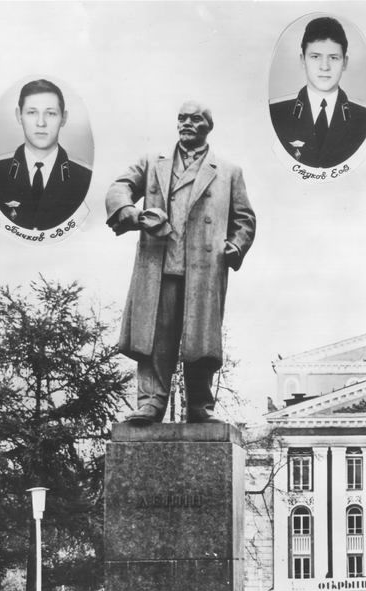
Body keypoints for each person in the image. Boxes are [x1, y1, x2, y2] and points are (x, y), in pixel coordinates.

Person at [106, 101, 256, 424]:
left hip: (203, 269)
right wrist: (129, 211)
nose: (186, 123)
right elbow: (120, 186)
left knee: (200, 342)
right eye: (182, 118)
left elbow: (244, 219)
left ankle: (200, 405)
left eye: (195, 118)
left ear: (208, 127)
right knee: (153, 338)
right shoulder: (152, 162)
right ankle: (151, 402)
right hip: (158, 266)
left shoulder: (228, 172)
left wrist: (235, 245)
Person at [0, 79, 92, 231]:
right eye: (32, 112)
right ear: (19, 115)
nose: (41, 123)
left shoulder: (84, 178)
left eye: (51, 113)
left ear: (64, 118)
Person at [269, 16, 366, 168]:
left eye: (334, 58)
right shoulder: (277, 114)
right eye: (315, 57)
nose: (324, 67)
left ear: (345, 62)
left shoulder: (365, 118)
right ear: (303, 60)